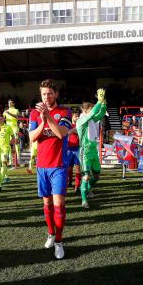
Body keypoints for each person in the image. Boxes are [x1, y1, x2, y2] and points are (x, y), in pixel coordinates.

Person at [29, 79, 72, 260]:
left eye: (49, 93)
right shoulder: (33, 113)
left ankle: (59, 242)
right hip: (42, 167)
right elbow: (32, 137)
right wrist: (42, 120)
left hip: (59, 166)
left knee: (59, 206)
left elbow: (61, 133)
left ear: (56, 94)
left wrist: (47, 116)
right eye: (43, 94)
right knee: (46, 206)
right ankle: (51, 234)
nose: (46, 97)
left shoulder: (65, 112)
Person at [76, 90, 107, 209]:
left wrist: (103, 103)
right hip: (85, 151)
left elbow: (101, 113)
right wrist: (98, 101)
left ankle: (86, 189)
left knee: (97, 176)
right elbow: (94, 112)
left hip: (94, 150)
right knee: (86, 176)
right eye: (90, 108)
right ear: (85, 110)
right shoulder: (81, 121)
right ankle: (84, 200)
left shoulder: (91, 120)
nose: (93, 110)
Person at [66, 110, 81, 194]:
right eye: (76, 116)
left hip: (77, 149)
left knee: (78, 169)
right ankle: (69, 182)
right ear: (72, 117)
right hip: (68, 149)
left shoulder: (80, 125)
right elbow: (66, 133)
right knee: (69, 168)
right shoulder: (68, 125)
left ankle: (77, 186)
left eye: (78, 116)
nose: (77, 118)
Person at [0, 112, 14, 184]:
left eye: (0, 119)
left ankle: (1, 179)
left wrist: (10, 143)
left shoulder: (8, 127)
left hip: (5, 149)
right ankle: (6, 177)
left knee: (4, 163)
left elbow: (13, 137)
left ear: (3, 119)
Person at [4, 100, 20, 167]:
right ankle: (10, 161)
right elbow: (2, 118)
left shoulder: (16, 110)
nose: (9, 104)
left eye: (11, 102)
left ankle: (18, 160)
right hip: (7, 128)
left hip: (14, 128)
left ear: (13, 103)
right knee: (8, 144)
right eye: (8, 103)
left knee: (16, 143)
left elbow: (17, 117)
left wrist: (9, 113)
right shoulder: (5, 111)